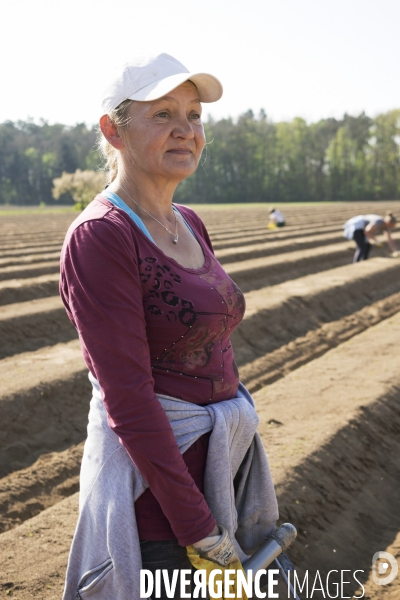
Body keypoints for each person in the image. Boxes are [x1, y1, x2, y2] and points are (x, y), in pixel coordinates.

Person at [60, 53, 278, 600]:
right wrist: (200, 533)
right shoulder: (103, 237)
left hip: (219, 478)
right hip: (158, 510)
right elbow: (129, 403)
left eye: (195, 115)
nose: (187, 130)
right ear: (114, 130)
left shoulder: (189, 221)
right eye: (162, 115)